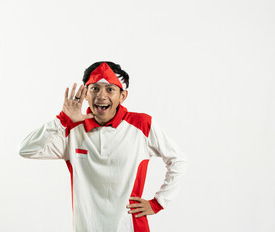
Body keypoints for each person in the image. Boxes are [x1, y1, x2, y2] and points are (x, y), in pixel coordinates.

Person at [18, 61, 188, 232]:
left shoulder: (142, 125)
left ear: (122, 96)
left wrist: (158, 203)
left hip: (131, 226)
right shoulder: (72, 130)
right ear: (85, 94)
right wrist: (61, 119)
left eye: (110, 89)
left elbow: (178, 160)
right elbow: (26, 149)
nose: (101, 95)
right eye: (95, 89)